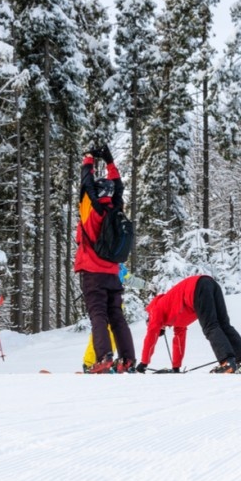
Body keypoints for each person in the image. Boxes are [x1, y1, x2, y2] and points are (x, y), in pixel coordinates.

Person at [74, 145, 136, 373]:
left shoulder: (92, 211)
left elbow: (85, 185)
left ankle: (104, 357)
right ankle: (127, 359)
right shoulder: (116, 208)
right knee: (116, 316)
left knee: (98, 315)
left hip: (93, 273)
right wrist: (109, 161)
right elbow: (119, 186)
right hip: (112, 274)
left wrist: (88, 160)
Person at [136, 275, 241, 374]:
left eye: (162, 328)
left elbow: (151, 337)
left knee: (211, 326)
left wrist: (143, 363)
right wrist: (176, 367)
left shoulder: (156, 310)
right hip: (210, 284)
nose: (164, 327)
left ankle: (227, 363)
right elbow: (179, 341)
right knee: (224, 325)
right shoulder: (173, 313)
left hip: (197, 288)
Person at [81, 263, 147, 372]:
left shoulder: (107, 262)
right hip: (114, 301)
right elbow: (129, 279)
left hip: (102, 298)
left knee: (101, 332)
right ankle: (120, 361)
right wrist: (145, 285)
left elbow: (129, 278)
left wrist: (145, 285)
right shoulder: (117, 264)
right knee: (112, 332)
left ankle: (94, 363)